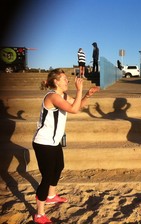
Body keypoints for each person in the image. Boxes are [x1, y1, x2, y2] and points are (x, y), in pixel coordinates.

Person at [32, 68, 99, 223]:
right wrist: (80, 88)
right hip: (43, 142)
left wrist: (87, 95)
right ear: (56, 82)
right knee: (47, 176)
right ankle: (39, 215)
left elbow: (78, 105)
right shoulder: (52, 96)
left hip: (53, 142)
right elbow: (74, 110)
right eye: (64, 79)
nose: (67, 81)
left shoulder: (62, 95)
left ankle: (51, 196)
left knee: (59, 166)